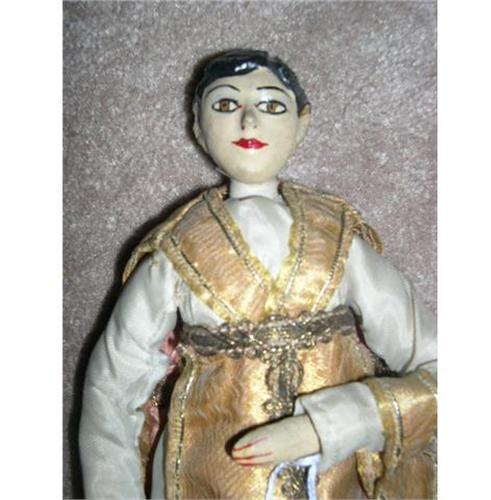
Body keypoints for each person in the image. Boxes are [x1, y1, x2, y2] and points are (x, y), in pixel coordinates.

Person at [79, 50, 437, 500]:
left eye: (271, 105)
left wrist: (335, 423)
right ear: (198, 126)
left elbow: (437, 368)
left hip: (334, 481)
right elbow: (111, 394)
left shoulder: (337, 241)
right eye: (225, 105)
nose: (248, 121)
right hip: (204, 480)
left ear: (302, 124)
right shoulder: (177, 251)